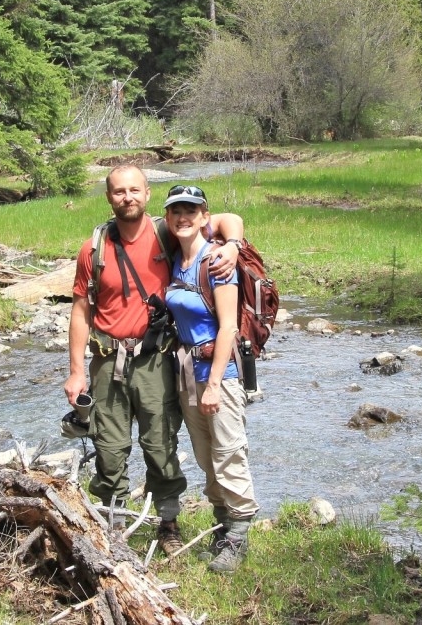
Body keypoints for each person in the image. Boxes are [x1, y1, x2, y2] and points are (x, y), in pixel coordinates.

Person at [64, 165, 243, 555]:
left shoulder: (168, 232)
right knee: (109, 450)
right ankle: (112, 523)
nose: (127, 197)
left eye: (134, 190)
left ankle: (168, 522)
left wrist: (233, 246)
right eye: (118, 192)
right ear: (109, 197)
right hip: (107, 361)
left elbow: (229, 219)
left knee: (160, 444)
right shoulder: (94, 248)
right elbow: (80, 310)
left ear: (147, 194)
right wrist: (77, 371)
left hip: (156, 358)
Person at [163, 184, 258, 573]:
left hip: (219, 372)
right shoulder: (176, 259)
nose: (183, 217)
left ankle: (238, 535)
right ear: (168, 218)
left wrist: (215, 383)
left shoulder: (216, 261)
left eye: (192, 210)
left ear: (205, 216)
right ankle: (222, 528)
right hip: (187, 373)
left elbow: (228, 329)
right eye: (176, 211)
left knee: (228, 452)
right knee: (206, 456)